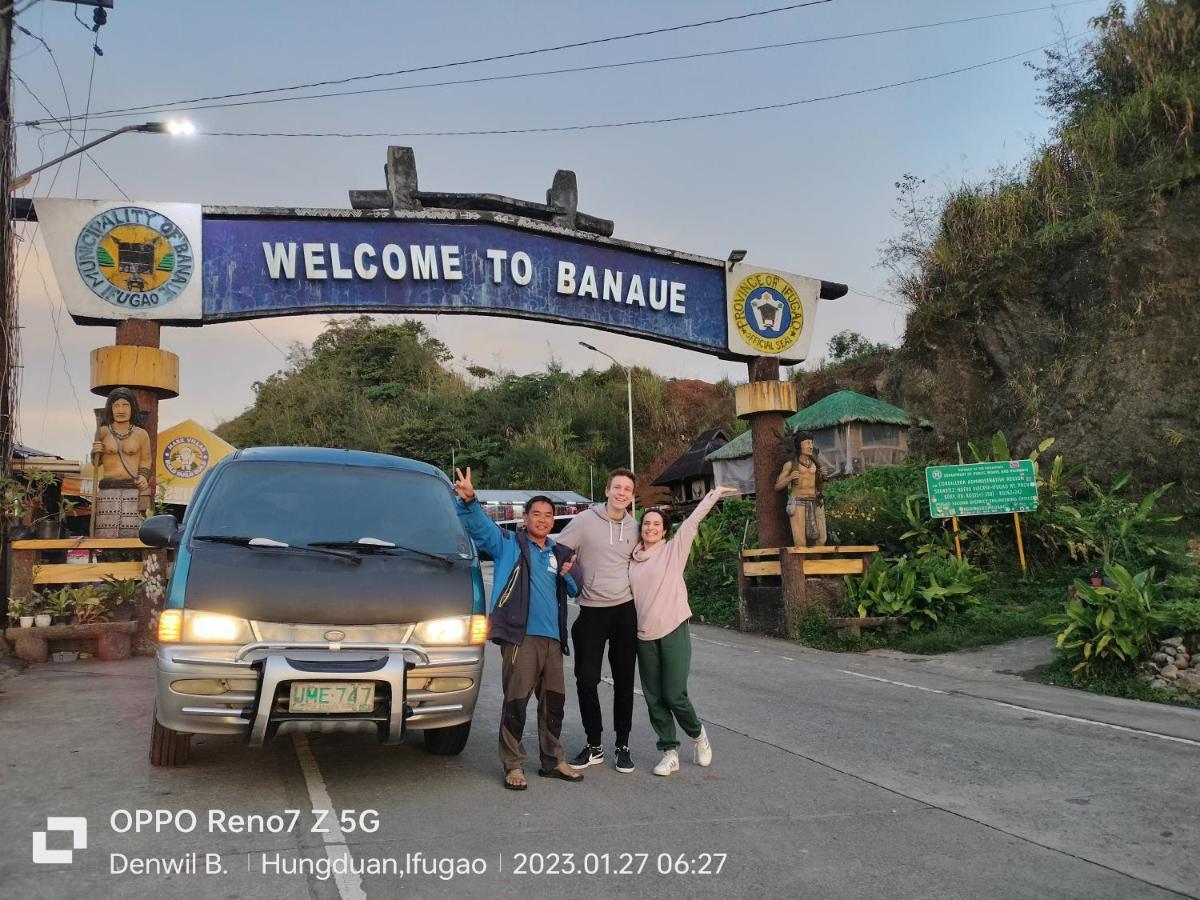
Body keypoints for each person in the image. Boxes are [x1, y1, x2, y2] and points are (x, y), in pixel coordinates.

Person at [453, 466, 584, 791]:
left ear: (554, 520)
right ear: (525, 518)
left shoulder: (559, 552)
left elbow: (574, 589)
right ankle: (513, 764)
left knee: (553, 703)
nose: (542, 519)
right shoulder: (509, 544)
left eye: (548, 515)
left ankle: (553, 760)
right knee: (516, 702)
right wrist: (470, 501)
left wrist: (566, 572)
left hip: (553, 641)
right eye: (536, 514)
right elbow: (481, 529)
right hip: (520, 638)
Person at [629, 486, 737, 776]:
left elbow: (691, 523)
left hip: (673, 628)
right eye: (647, 523)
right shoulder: (631, 560)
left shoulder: (672, 552)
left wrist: (713, 495)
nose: (651, 527)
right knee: (654, 697)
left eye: (656, 524)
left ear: (664, 531)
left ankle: (699, 735)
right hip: (643, 635)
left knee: (674, 693)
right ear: (641, 529)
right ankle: (669, 751)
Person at [557, 468, 639, 773]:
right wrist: (568, 572)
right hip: (591, 610)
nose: (621, 493)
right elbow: (558, 552)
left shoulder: (635, 526)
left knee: (624, 681)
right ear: (607, 490)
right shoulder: (584, 521)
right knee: (586, 679)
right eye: (617, 487)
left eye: (627, 489)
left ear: (632, 496)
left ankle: (622, 745)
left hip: (625, 610)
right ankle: (594, 745)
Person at [91, 387, 153, 538]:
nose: (121, 410)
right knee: (105, 533)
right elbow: (95, 463)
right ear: (110, 408)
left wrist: (144, 476)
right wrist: (95, 452)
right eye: (116, 405)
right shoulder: (103, 431)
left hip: (132, 489)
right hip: (107, 490)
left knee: (131, 533)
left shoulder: (141, 434)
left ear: (132, 408)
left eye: (125, 405)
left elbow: (146, 460)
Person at [774, 431, 830, 547]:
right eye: (807, 443)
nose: (811, 446)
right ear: (799, 445)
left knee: (821, 540)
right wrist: (789, 477)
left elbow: (820, 488)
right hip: (798, 502)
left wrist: (823, 478)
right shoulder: (790, 465)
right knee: (800, 542)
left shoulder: (816, 465)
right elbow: (777, 486)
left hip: (815, 501)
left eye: (812, 443)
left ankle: (815, 564)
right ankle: (800, 564)